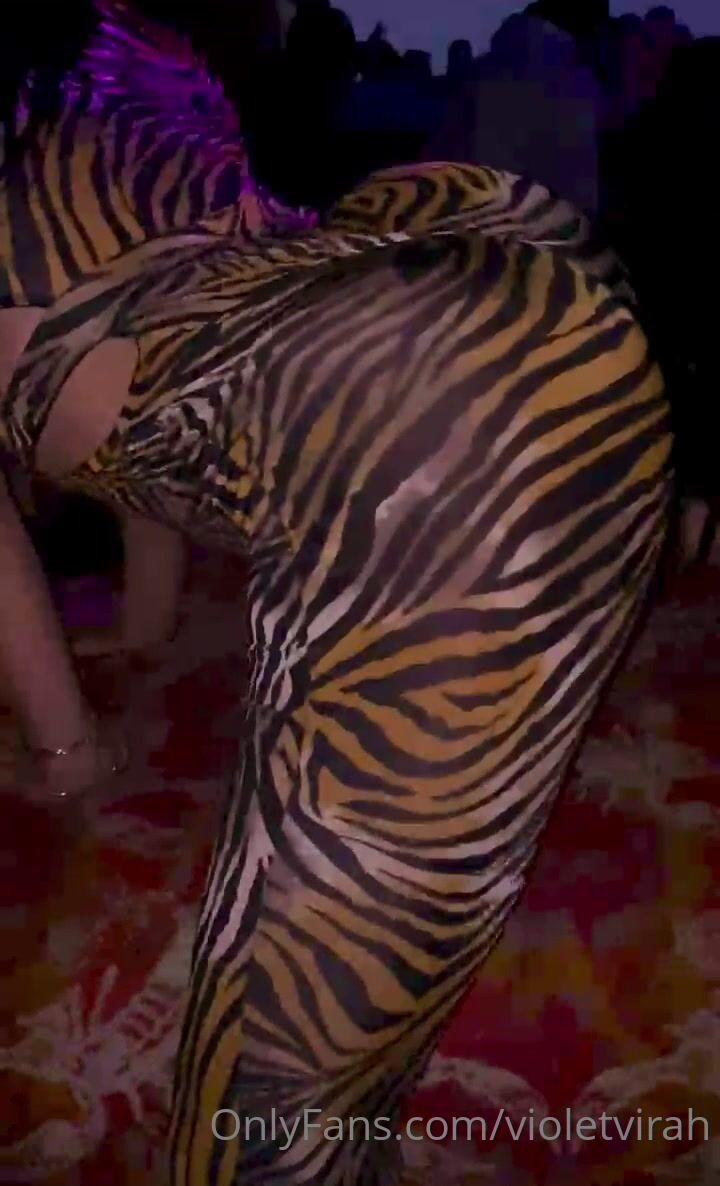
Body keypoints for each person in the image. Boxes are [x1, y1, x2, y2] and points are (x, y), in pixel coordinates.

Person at [1, 5, 673, 1179]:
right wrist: (133, 649)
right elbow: (167, 330)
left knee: (268, 1132)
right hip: (408, 289)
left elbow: (161, 336)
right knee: (496, 356)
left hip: (386, 330)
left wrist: (78, 731)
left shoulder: (110, 53)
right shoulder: (122, 49)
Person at [0, 0, 315, 790]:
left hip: (77, 372)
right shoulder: (138, 43)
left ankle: (68, 750)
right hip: (248, 363)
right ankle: (147, 619)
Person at [426, 10, 603, 215]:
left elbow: (449, 136)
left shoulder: (482, 77)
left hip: (491, 195)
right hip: (553, 200)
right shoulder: (575, 81)